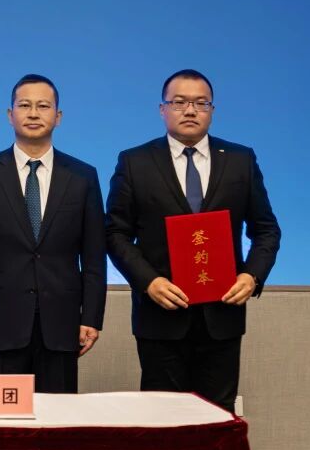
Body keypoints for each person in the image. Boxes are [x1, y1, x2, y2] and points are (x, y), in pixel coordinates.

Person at [105, 69, 281, 411]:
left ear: (212, 110)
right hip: (160, 315)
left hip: (222, 315)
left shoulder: (241, 160)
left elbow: (266, 229)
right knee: (163, 419)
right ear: (162, 109)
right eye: (179, 102)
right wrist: (148, 282)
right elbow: (115, 232)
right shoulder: (135, 162)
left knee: (216, 417)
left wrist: (252, 275)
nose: (190, 110)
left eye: (201, 103)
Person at [0, 74, 106, 392]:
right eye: (24, 105)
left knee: (58, 417)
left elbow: (94, 256)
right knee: (0, 415)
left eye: (43, 106)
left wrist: (91, 317)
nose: (33, 113)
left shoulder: (83, 176)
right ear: (10, 115)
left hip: (62, 322)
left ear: (58, 116)